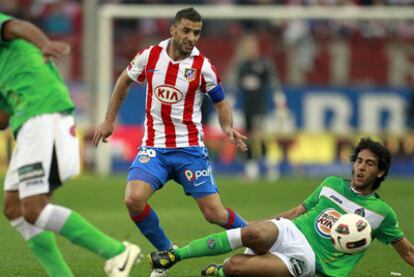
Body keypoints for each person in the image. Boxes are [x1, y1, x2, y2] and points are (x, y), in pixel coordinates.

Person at [92, 7, 249, 277]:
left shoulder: (203, 67)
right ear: (173, 30)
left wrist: (227, 128)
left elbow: (221, 103)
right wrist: (108, 120)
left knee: (215, 214)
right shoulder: (149, 55)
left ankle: (263, 239)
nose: (191, 37)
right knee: (133, 199)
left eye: (197, 33)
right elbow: (123, 82)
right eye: (186, 30)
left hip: (190, 150)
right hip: (154, 147)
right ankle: (167, 251)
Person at [0, 13, 141, 277]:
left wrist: (43, 44)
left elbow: (17, 25)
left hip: (43, 114)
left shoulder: (7, 36)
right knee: (13, 207)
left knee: (33, 208)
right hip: (29, 121)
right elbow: (3, 118)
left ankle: (116, 252)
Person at [149, 137, 414, 276]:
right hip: (292, 230)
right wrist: (261, 224)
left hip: (308, 260)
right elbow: (298, 211)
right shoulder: (332, 183)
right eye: (359, 161)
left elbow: (408, 253)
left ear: (380, 173)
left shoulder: (382, 214)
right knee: (251, 233)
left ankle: (219, 272)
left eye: (369, 164)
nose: (361, 167)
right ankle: (175, 255)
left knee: (234, 268)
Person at [233, 33, 283, 180]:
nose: (249, 49)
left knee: (258, 135)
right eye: (247, 47)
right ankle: (252, 168)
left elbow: (274, 83)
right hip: (247, 106)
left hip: (259, 106)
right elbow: (235, 84)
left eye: (251, 46)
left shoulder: (264, 64)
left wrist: (279, 101)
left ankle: (269, 166)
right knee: (248, 136)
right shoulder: (243, 66)